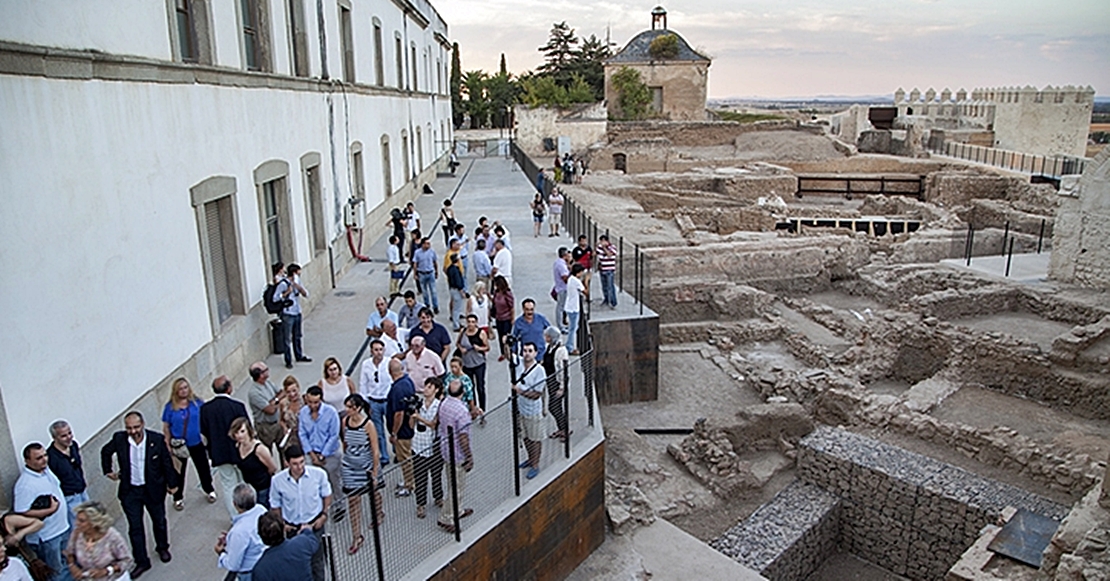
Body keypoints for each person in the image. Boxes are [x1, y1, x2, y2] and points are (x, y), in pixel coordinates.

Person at [99, 412, 178, 578]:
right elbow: (105, 452)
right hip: (130, 491)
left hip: (153, 489)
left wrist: (172, 484)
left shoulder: (155, 440)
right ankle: (141, 561)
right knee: (135, 528)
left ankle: (162, 547)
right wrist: (108, 471)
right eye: (129, 428)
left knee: (159, 521)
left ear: (142, 424)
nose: (133, 431)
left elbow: (166, 462)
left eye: (136, 427)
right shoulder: (119, 439)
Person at [267, 446, 330, 581]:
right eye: (295, 464)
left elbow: (327, 494)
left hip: (314, 525)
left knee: (317, 562)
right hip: (293, 528)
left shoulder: (318, 474)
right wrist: (282, 524)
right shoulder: (278, 481)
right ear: (286, 463)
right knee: (296, 563)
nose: (300, 467)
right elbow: (275, 504)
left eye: (302, 462)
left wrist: (324, 515)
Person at [13, 442, 70, 581]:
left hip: (62, 529)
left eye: (45, 455)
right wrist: (49, 510)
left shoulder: (45, 470)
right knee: (56, 574)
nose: (44, 459)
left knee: (68, 567)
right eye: (38, 458)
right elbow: (21, 512)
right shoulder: (25, 485)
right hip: (47, 537)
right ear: (27, 461)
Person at [161, 378, 215, 512]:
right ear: (175, 391)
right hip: (179, 445)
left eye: (186, 387)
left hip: (196, 441)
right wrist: (167, 443)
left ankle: (209, 489)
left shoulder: (197, 403)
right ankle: (178, 497)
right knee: (179, 472)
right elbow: (166, 426)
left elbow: (206, 419)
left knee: (203, 468)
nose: (184, 391)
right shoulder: (170, 407)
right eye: (180, 388)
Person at [200, 375, 249, 519]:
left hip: (219, 452)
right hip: (239, 450)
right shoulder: (237, 406)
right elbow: (247, 429)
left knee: (228, 486)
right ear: (229, 388)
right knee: (243, 482)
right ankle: (248, 511)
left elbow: (204, 432)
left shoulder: (205, 409)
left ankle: (235, 517)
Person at [339, 394, 381, 554]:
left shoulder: (368, 424)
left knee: (373, 493)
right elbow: (345, 442)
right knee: (353, 499)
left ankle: (378, 512)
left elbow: (375, 449)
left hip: (366, 465)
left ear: (357, 408)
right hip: (350, 465)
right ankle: (356, 535)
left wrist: (374, 471)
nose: (347, 410)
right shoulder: (345, 422)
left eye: (350, 407)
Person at [436, 380, 474, 534]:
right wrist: (469, 456)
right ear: (463, 392)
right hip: (458, 454)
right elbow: (463, 437)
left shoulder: (444, 403)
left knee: (452, 481)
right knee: (457, 487)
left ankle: (457, 511)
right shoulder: (461, 411)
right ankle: (446, 517)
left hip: (445, 448)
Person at [63, 501, 132, 581]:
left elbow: (127, 560)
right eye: (77, 520)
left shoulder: (112, 537)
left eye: (82, 521)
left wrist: (107, 571)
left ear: (94, 522)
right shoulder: (76, 534)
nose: (76, 523)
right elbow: (69, 553)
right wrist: (72, 566)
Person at [215, 484, 267, 581]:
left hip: (250, 573)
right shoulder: (261, 510)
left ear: (235, 504)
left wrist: (221, 553)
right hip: (265, 564)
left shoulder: (239, 531)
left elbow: (233, 565)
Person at [298, 387, 342, 498]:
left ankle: (338, 506)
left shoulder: (331, 412)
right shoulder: (303, 412)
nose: (313, 406)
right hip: (311, 454)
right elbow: (302, 434)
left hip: (329, 454)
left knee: (333, 482)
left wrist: (322, 455)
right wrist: (312, 455)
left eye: (316, 402)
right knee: (312, 484)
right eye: (310, 402)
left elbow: (333, 435)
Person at [513, 343, 547, 480]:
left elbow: (537, 393)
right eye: (525, 350)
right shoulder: (519, 363)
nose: (527, 353)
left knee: (535, 438)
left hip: (533, 411)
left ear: (535, 353)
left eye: (530, 351)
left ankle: (535, 464)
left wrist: (519, 391)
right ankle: (530, 459)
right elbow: (508, 354)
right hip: (520, 408)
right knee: (526, 436)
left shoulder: (540, 370)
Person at [46, 420, 88, 529]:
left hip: (82, 491)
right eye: (63, 436)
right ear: (55, 438)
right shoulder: (51, 457)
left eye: (70, 433)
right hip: (69, 497)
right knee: (78, 528)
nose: (69, 437)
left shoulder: (73, 445)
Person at [358, 339, 393, 467]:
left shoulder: (389, 362)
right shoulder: (366, 364)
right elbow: (363, 384)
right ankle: (384, 455)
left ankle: (395, 449)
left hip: (387, 400)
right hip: (374, 401)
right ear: (371, 351)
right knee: (378, 431)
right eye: (376, 350)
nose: (378, 353)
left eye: (380, 350)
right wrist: (365, 403)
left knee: (391, 427)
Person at [411, 378, 443, 519]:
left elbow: (434, 424)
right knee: (420, 477)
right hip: (418, 444)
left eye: (430, 387)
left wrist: (419, 417)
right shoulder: (419, 404)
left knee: (436, 474)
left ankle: (438, 496)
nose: (426, 389)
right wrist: (412, 415)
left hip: (433, 445)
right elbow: (411, 424)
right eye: (425, 386)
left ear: (436, 390)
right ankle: (421, 504)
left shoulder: (439, 406)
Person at [230, 418, 277, 509]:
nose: (239, 435)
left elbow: (272, 468)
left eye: (242, 431)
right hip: (250, 487)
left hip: (263, 488)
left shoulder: (259, 449)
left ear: (249, 431)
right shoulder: (238, 446)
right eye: (236, 433)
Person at [386, 359, 417, 497]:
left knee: (405, 458)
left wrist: (394, 432)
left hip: (402, 431)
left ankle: (410, 484)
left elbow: (399, 414)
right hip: (408, 426)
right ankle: (408, 480)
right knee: (407, 456)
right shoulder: (408, 381)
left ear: (389, 372)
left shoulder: (397, 389)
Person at [272, 263, 311, 370]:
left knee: (297, 335)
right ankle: (288, 360)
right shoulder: (283, 284)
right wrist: (286, 293)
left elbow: (306, 294)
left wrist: (299, 288)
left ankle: (299, 355)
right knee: (287, 338)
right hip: (288, 314)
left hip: (297, 311)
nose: (300, 274)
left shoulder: (297, 281)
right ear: (294, 272)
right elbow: (275, 298)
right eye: (298, 272)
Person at [247, 362, 285, 458]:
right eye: (266, 370)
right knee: (266, 453)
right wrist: (278, 402)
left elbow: (282, 392)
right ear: (260, 375)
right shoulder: (254, 393)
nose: (268, 371)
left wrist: (275, 400)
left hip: (277, 423)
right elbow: (270, 410)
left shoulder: (268, 383)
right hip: (265, 427)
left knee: (284, 451)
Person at [456, 314, 490, 413]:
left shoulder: (481, 333)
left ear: (476, 323)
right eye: (469, 322)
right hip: (466, 364)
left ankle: (482, 409)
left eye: (473, 322)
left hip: (479, 363)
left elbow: (487, 347)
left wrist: (479, 348)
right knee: (470, 387)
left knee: (480, 387)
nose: (470, 324)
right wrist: (461, 348)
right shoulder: (463, 331)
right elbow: (457, 343)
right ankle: (473, 407)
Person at [542, 327, 571, 441]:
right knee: (556, 406)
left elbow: (563, 370)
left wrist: (562, 387)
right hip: (550, 381)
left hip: (558, 382)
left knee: (553, 407)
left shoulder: (561, 351)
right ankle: (562, 428)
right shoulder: (549, 347)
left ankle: (565, 428)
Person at [277, 376, 304, 460]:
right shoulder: (283, 403)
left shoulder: (304, 401)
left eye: (294, 391)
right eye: (288, 392)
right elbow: (281, 420)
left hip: (303, 436)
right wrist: (284, 427)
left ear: (298, 388)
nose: (292, 394)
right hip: (290, 437)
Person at [491, 275, 515, 362]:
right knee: (500, 336)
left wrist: (512, 318)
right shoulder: (496, 292)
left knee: (506, 336)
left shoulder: (507, 293)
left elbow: (512, 307)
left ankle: (509, 351)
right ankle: (503, 353)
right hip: (498, 317)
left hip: (506, 318)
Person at [412, 237, 439, 314]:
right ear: (423, 244)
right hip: (422, 273)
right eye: (427, 243)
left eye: (429, 243)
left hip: (430, 273)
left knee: (433, 291)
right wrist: (415, 274)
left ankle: (435, 306)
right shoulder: (417, 252)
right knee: (424, 292)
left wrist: (436, 271)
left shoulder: (432, 252)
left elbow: (435, 262)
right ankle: (427, 305)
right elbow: (415, 264)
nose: (428, 245)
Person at [565, 263, 586, 355]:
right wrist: (586, 281)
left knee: (572, 327)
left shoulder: (570, 279)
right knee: (573, 329)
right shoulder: (576, 281)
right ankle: (570, 347)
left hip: (570, 306)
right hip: (573, 308)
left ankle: (570, 345)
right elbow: (585, 291)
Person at [552, 248, 571, 332]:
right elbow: (565, 278)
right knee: (561, 307)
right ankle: (561, 326)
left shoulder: (558, 263)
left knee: (561, 307)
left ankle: (562, 324)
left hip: (560, 287)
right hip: (563, 288)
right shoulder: (561, 265)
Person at [446, 253, 466, 331]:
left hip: (452, 288)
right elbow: (458, 282)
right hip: (457, 290)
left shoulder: (450, 268)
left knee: (456, 307)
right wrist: (462, 291)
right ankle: (456, 325)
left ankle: (457, 322)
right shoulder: (456, 270)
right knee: (457, 308)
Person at [597, 234, 618, 308]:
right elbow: (597, 254)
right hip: (602, 269)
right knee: (604, 286)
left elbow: (609, 254)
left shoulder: (613, 247)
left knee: (610, 286)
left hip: (609, 270)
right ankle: (606, 299)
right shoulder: (599, 248)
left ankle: (613, 302)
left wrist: (604, 247)